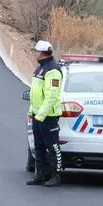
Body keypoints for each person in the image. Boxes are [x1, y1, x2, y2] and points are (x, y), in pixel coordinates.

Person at [27, 40, 64, 187]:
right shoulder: (40, 69)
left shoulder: (53, 70)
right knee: (39, 146)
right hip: (38, 115)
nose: (35, 53)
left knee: (53, 146)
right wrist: (32, 112)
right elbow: (35, 94)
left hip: (48, 116)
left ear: (42, 53)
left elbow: (51, 97)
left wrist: (41, 115)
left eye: (36, 51)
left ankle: (56, 174)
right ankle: (41, 174)